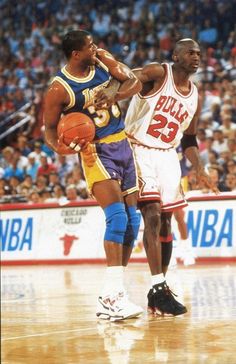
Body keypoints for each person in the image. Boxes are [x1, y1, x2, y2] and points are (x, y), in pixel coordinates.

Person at [43, 30, 143, 321]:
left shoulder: (103, 60)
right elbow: (49, 131)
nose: (95, 47)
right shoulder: (59, 89)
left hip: (122, 144)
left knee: (133, 221)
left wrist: (116, 92)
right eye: (89, 46)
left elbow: (133, 82)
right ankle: (111, 296)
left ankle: (114, 293)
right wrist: (65, 148)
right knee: (117, 217)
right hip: (96, 151)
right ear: (76, 54)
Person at [125, 38, 219, 316]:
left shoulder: (195, 95)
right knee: (151, 213)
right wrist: (112, 94)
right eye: (190, 52)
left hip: (168, 154)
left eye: (199, 53)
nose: (196, 57)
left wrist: (199, 168)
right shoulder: (158, 73)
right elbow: (129, 79)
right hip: (138, 148)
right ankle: (157, 287)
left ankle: (159, 291)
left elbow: (189, 139)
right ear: (176, 55)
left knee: (167, 220)